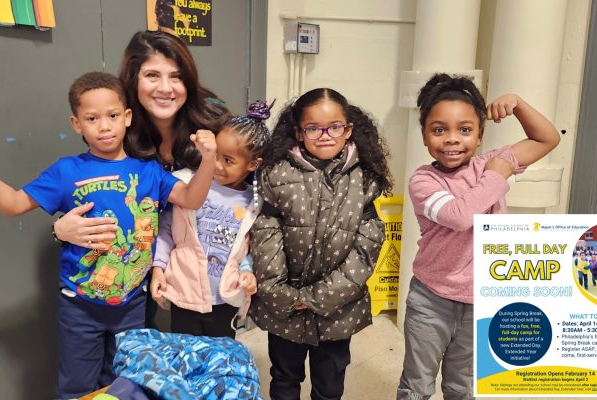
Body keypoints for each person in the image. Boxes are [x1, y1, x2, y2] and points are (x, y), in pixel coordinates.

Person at [0, 71, 217, 399]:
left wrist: (209, 161)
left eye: (112, 116)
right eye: (92, 118)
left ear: (127, 118)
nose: (104, 126)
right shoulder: (66, 171)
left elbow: (190, 198)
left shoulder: (148, 170)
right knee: (77, 387)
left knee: (123, 383)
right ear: (76, 124)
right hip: (80, 305)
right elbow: (13, 203)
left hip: (132, 303)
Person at [397, 73, 560, 400]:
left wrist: (518, 103)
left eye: (465, 129)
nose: (452, 139)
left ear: (480, 135)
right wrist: (497, 177)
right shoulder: (423, 181)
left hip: (483, 299)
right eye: (439, 130)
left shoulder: (491, 162)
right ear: (425, 137)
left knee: (463, 387)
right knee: (417, 385)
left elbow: (547, 139)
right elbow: (459, 216)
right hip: (432, 300)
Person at [52, 30, 230, 328]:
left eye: (176, 76)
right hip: (138, 269)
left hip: (209, 267)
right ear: (133, 79)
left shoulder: (214, 124)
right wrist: (59, 230)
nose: (166, 88)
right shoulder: (118, 138)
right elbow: (94, 199)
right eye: (152, 75)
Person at [250, 88, 393, 400]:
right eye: (313, 128)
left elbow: (367, 245)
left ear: (348, 130)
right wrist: (281, 293)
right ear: (300, 132)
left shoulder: (365, 178)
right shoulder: (276, 174)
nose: (325, 135)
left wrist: (318, 298)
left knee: (329, 385)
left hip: (337, 310)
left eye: (335, 127)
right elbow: (264, 235)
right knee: (284, 378)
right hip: (283, 309)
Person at [150, 100, 274, 338]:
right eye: (215, 155)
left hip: (225, 296)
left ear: (253, 164)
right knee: (185, 359)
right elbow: (165, 230)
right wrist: (159, 267)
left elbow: (247, 247)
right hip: (185, 293)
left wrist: (247, 271)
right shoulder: (187, 183)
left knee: (219, 361)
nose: (217, 165)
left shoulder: (253, 202)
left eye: (228, 160)